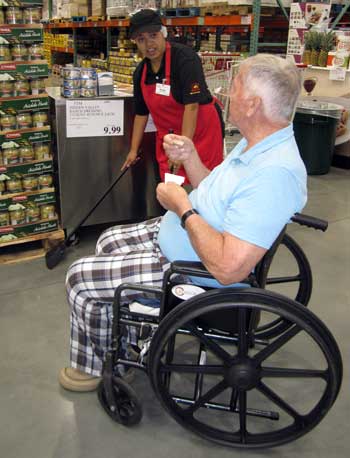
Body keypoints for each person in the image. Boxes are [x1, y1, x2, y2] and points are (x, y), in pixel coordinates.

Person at [59, 54, 307, 392]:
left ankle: (100, 365)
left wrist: (183, 208)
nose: (225, 96)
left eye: (233, 88)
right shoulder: (256, 144)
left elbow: (228, 268)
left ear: (252, 104)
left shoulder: (273, 174)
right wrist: (191, 158)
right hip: (186, 239)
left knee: (79, 278)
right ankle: (132, 335)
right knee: (107, 241)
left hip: (194, 270)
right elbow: (216, 193)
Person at [121, 9, 224, 183]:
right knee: (172, 188)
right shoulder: (141, 72)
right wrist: (133, 150)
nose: (149, 44)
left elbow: (192, 107)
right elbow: (141, 113)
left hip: (200, 134)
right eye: (141, 40)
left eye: (153, 35)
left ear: (163, 33)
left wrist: (182, 149)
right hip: (169, 140)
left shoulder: (185, 59)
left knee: (203, 188)